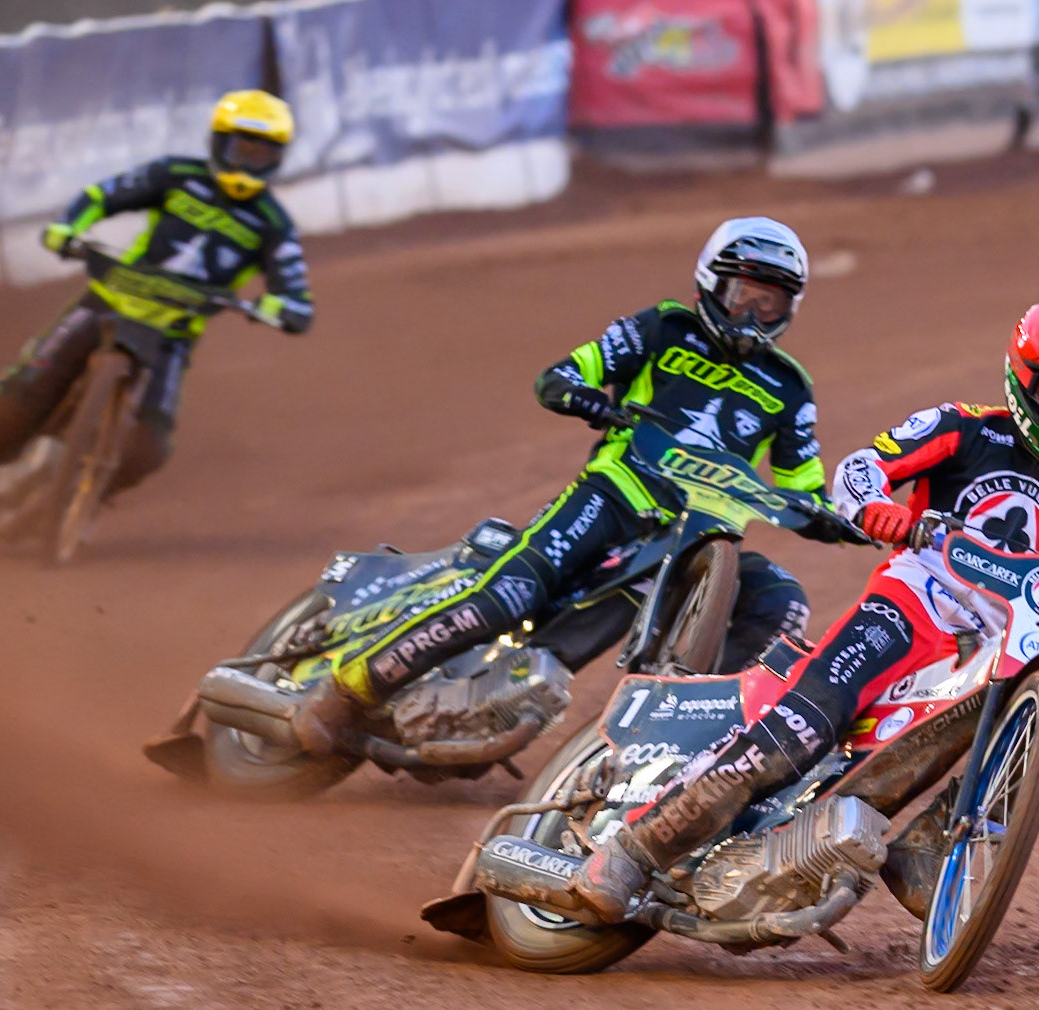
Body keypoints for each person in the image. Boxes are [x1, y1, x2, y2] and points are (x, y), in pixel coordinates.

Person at [569, 291, 1039, 923]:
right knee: (809, 721)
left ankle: (931, 847)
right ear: (1025, 379)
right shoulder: (963, 428)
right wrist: (881, 512)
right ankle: (636, 850)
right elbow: (861, 468)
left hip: (997, 642)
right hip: (911, 603)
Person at [290, 217, 839, 754]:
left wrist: (838, 515)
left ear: (790, 308)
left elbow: (805, 486)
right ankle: (344, 692)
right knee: (510, 596)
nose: (752, 313)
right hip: (615, 494)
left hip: (690, 538)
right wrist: (581, 395)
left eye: (769, 302)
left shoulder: (790, 387)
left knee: (781, 600)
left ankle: (699, 743)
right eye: (743, 294)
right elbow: (566, 373)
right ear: (710, 284)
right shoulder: (664, 328)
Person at [0, 89, 314, 534]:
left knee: (149, 448)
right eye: (242, 148)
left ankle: (77, 500)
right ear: (219, 142)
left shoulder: (273, 223)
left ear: (279, 157)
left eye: (263, 152)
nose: (249, 162)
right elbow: (103, 195)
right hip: (106, 304)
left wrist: (283, 307)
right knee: (15, 406)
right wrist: (68, 228)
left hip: (173, 333)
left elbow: (294, 290)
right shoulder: (175, 175)